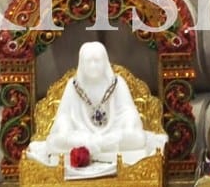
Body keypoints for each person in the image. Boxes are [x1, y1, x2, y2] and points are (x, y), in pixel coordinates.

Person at [27, 40, 167, 173]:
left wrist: (126, 126)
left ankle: (96, 148)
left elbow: (128, 113)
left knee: (138, 138)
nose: (93, 65)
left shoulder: (117, 84)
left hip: (112, 135)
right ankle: (96, 148)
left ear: (105, 61)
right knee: (54, 142)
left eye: (97, 61)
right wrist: (67, 131)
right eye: (89, 61)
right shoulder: (73, 86)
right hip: (82, 137)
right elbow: (63, 117)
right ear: (82, 63)